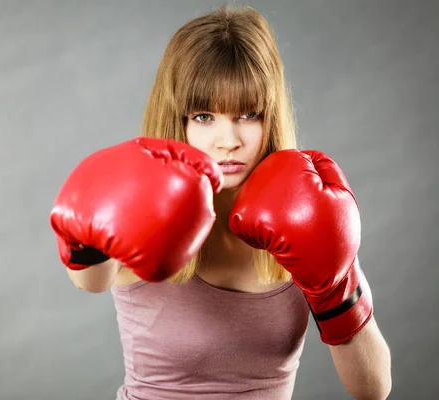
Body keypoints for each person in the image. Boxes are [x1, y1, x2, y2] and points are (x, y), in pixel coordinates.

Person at [50, 5, 392, 400]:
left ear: (271, 117)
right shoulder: (151, 214)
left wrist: (334, 289)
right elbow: (88, 282)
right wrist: (90, 227)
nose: (228, 140)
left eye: (248, 114)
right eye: (204, 116)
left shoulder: (305, 209)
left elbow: (374, 389)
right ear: (178, 119)